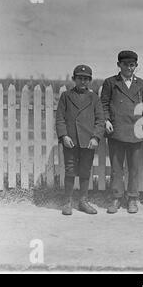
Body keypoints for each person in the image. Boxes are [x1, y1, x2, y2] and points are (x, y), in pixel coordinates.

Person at [101, 50, 143, 214]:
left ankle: (133, 198)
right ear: (118, 65)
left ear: (136, 66)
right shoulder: (110, 83)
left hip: (136, 131)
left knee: (134, 168)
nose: (129, 68)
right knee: (116, 167)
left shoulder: (142, 84)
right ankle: (116, 197)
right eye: (125, 64)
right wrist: (106, 120)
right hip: (116, 130)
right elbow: (104, 104)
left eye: (132, 65)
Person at [56, 64, 105, 215]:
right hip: (70, 141)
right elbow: (60, 119)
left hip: (87, 141)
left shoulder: (94, 98)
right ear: (73, 79)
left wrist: (96, 137)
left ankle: (83, 201)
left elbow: (100, 120)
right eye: (79, 78)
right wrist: (64, 136)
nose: (83, 81)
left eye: (86, 79)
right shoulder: (66, 96)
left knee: (85, 171)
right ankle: (67, 201)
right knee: (70, 170)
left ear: (90, 80)